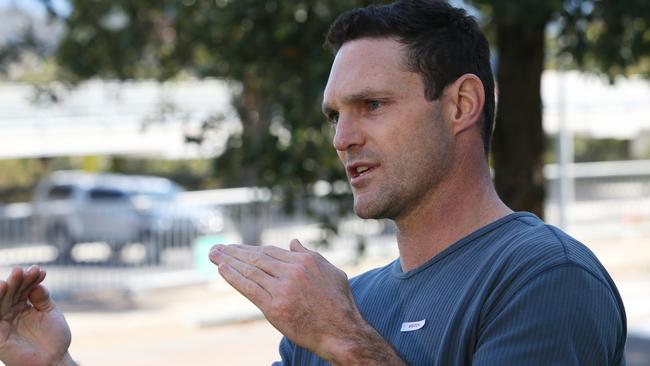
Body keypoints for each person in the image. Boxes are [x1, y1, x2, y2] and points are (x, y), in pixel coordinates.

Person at [0, 1, 626, 365]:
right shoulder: (349, 301)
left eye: (372, 105)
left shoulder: (543, 277)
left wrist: (344, 342)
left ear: (461, 105)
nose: (341, 137)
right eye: (335, 114)